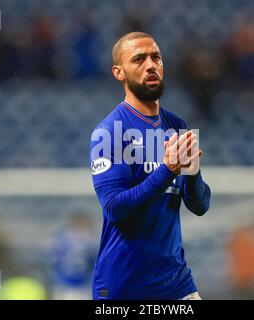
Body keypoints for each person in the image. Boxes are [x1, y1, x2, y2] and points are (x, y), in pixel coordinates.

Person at [89, 32, 211, 300]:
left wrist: (192, 172)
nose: (151, 65)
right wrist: (167, 170)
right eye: (139, 59)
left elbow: (200, 206)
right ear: (118, 73)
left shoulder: (176, 125)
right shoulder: (108, 132)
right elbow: (115, 209)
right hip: (125, 287)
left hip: (177, 284)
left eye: (156, 57)